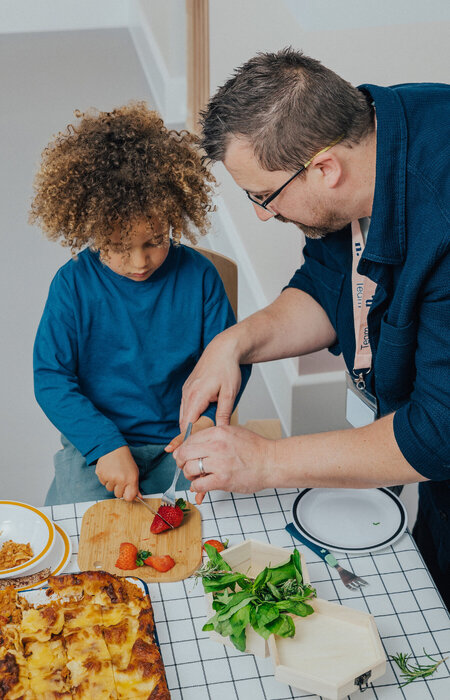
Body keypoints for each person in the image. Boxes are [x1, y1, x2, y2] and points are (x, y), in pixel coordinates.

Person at [173, 49, 450, 607]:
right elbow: (329, 283)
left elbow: (438, 434)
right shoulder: (367, 129)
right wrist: (236, 342)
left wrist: (266, 461)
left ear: (324, 169)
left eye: (263, 196)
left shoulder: (440, 211)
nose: (260, 215)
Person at [31, 102, 250, 506]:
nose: (140, 262)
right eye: (117, 247)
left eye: (155, 241)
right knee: (78, 527)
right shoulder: (72, 285)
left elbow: (230, 359)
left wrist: (204, 422)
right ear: (90, 230)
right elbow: (51, 378)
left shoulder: (200, 277)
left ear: (173, 220)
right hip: (99, 443)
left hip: (180, 440)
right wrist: (103, 445)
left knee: (213, 518)